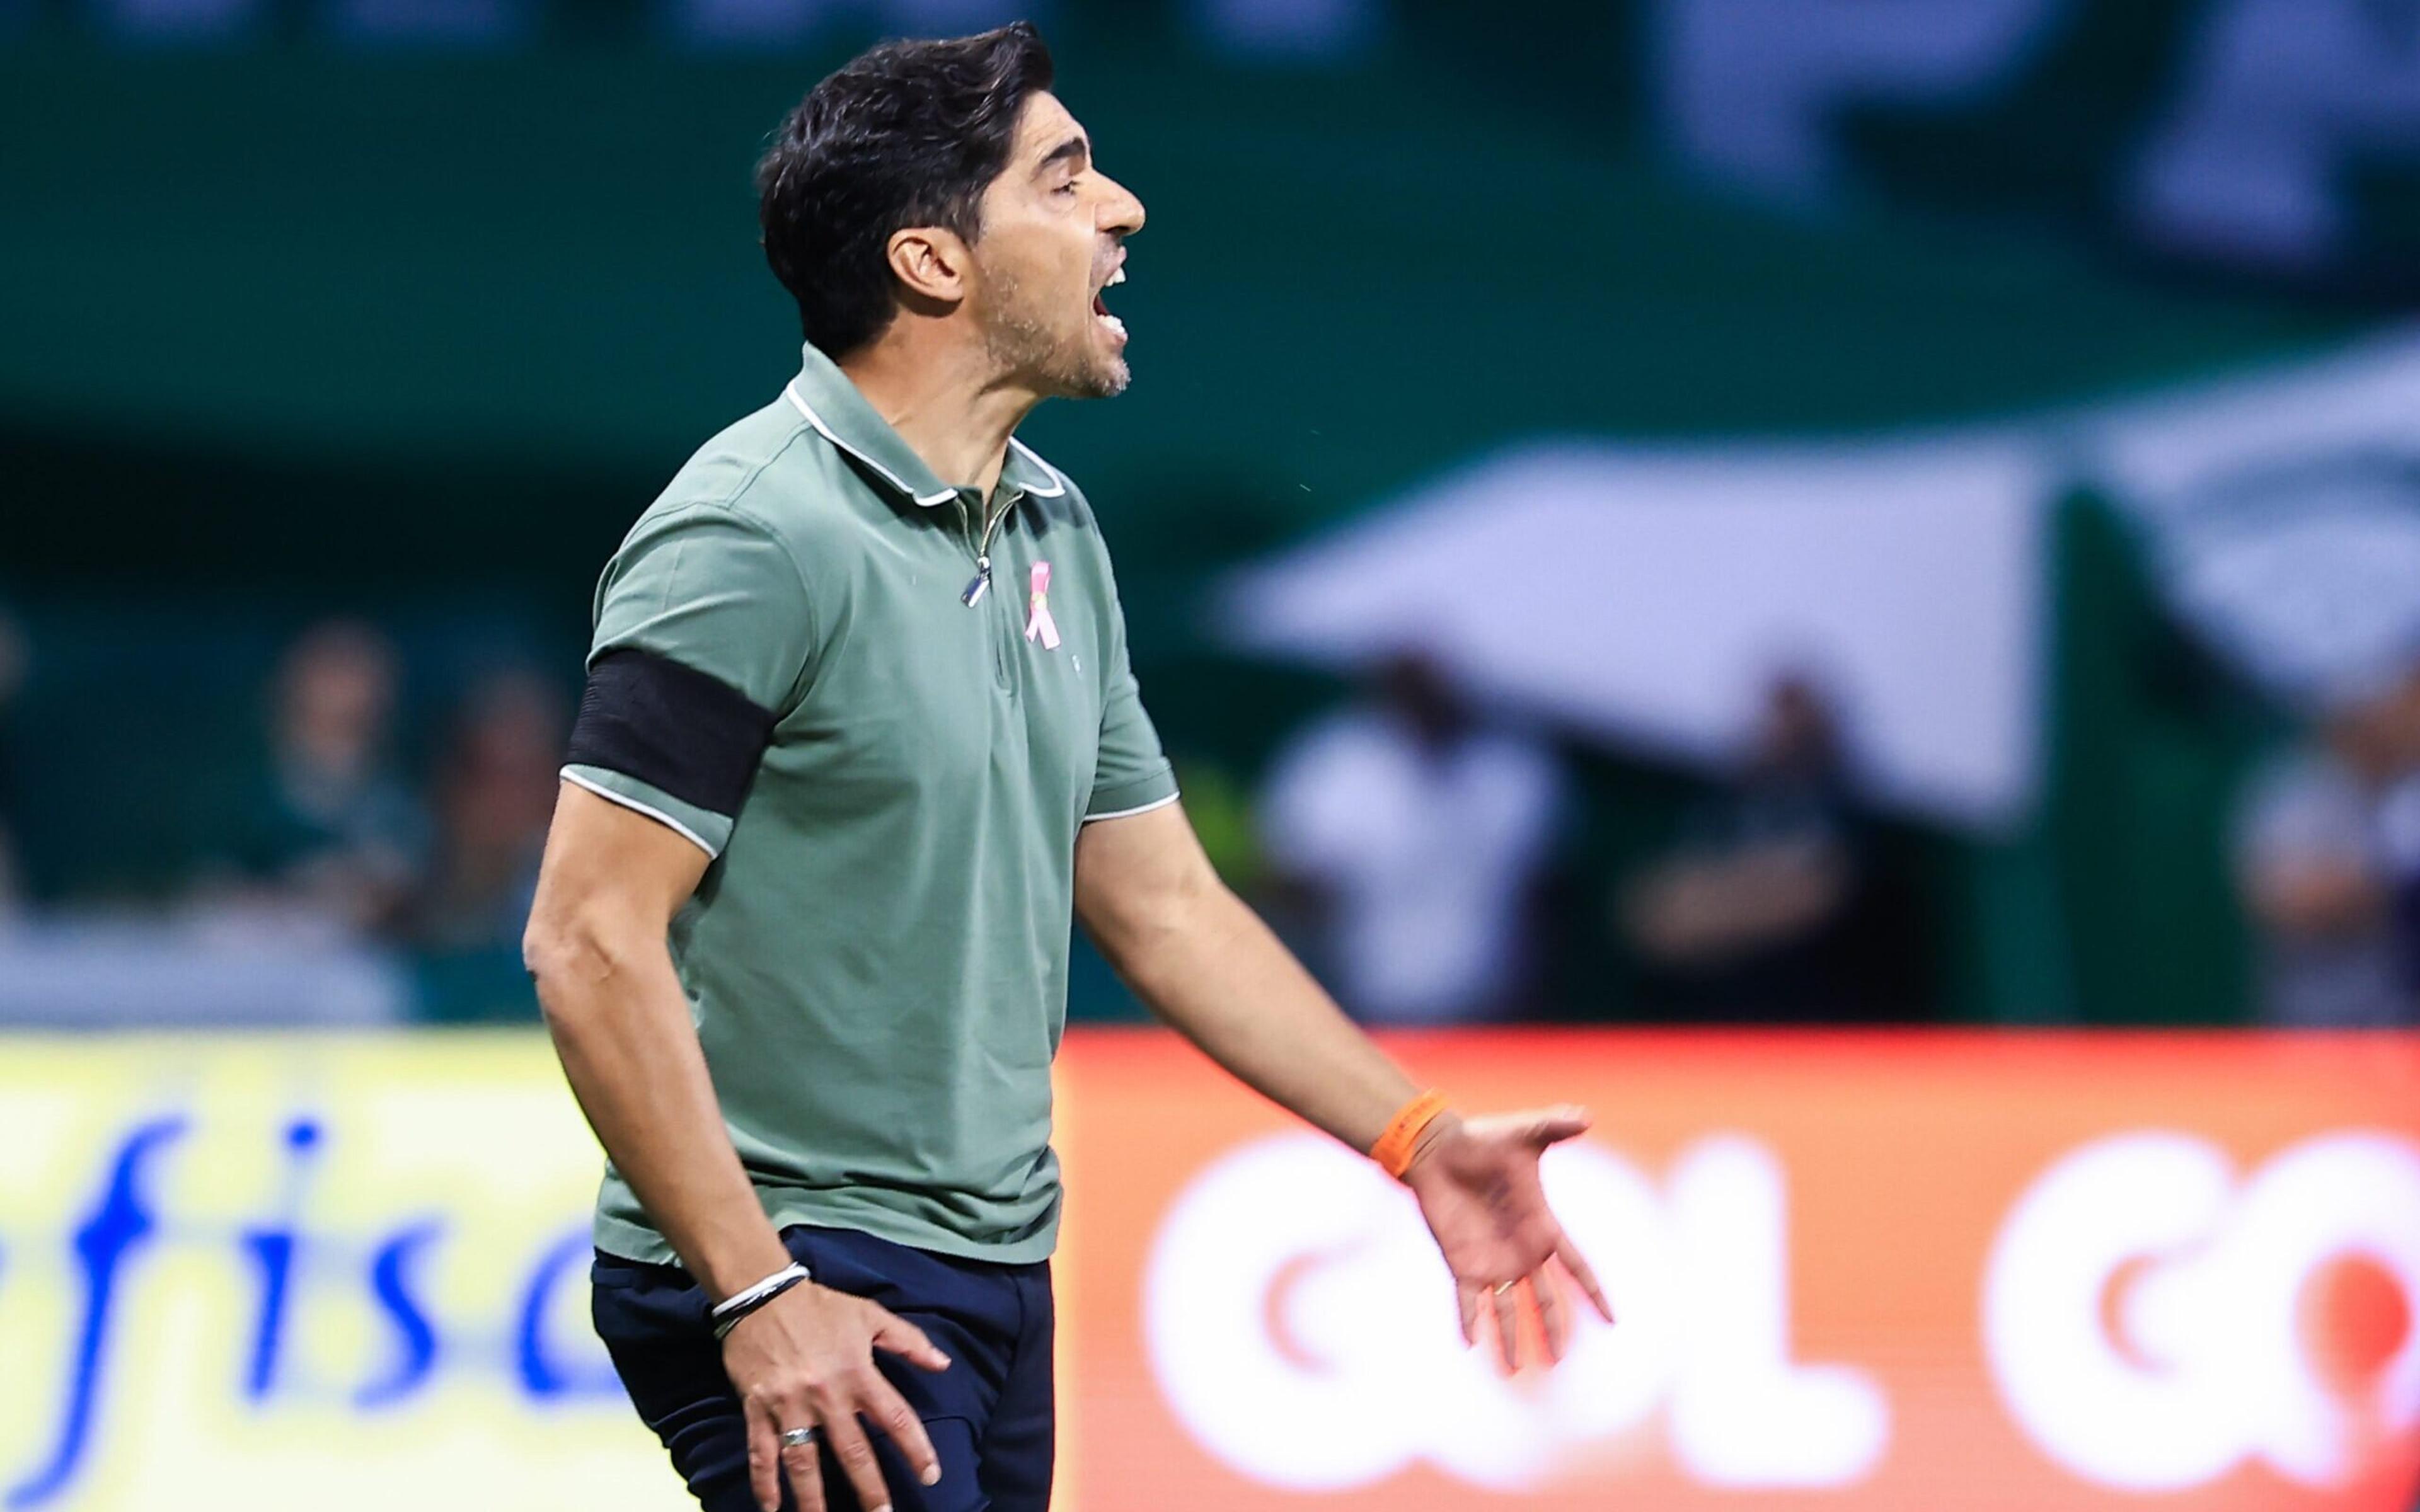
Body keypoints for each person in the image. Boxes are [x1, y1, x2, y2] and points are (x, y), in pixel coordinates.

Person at [522, 25, 1611, 1512]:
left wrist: (1413, 1137)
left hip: (992, 1275)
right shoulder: (750, 535)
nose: (1123, 212)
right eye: (1065, 179)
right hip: (807, 1266)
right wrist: (754, 1286)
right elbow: (586, 936)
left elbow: (1161, 902)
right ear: (931, 262)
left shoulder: (1050, 528)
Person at [1258, 650, 1566, 1022]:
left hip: (1493, 1010)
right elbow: (1296, 887)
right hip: (1365, 1008)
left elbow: (1542, 894)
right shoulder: (1335, 765)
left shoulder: (1512, 771)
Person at [1615, 674, 1925, 1021]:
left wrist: (1729, 898)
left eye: (1799, 714)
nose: (1782, 729)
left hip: (1822, 1031)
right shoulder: (1722, 804)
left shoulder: (1854, 812)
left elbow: (1825, 894)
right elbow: (1656, 914)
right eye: (1775, 712)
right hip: (1708, 1033)